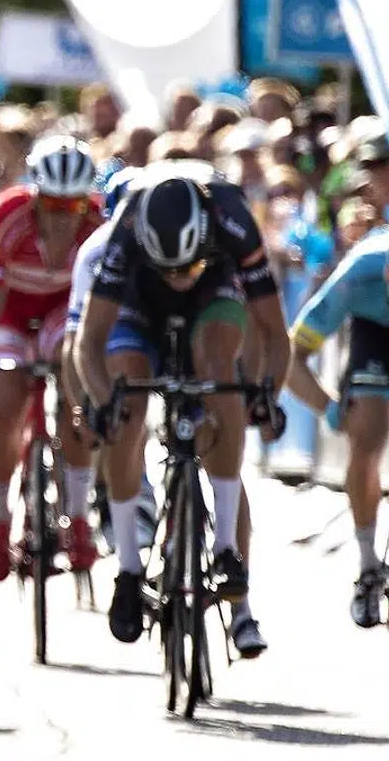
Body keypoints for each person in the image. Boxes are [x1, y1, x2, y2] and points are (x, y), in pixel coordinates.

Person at [74, 160, 289, 644]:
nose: (178, 277)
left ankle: (229, 549)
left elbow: (276, 334)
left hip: (215, 294)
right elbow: (89, 341)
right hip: (137, 302)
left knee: (218, 369)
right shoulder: (127, 229)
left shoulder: (233, 218)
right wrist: (104, 400)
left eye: (186, 265)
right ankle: (129, 569)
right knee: (126, 403)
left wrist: (265, 395)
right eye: (168, 267)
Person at [0, 136, 102, 582]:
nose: (63, 217)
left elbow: (102, 304)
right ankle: (0, 519)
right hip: (11, 312)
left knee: (76, 390)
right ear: (35, 196)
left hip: (65, 308)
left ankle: (78, 517)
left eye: (73, 206)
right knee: (7, 397)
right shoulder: (8, 215)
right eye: (53, 206)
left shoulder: (97, 222)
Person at [287, 231, 389, 627]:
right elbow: (292, 358)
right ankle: (367, 566)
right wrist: (329, 409)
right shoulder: (357, 276)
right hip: (374, 333)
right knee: (366, 433)